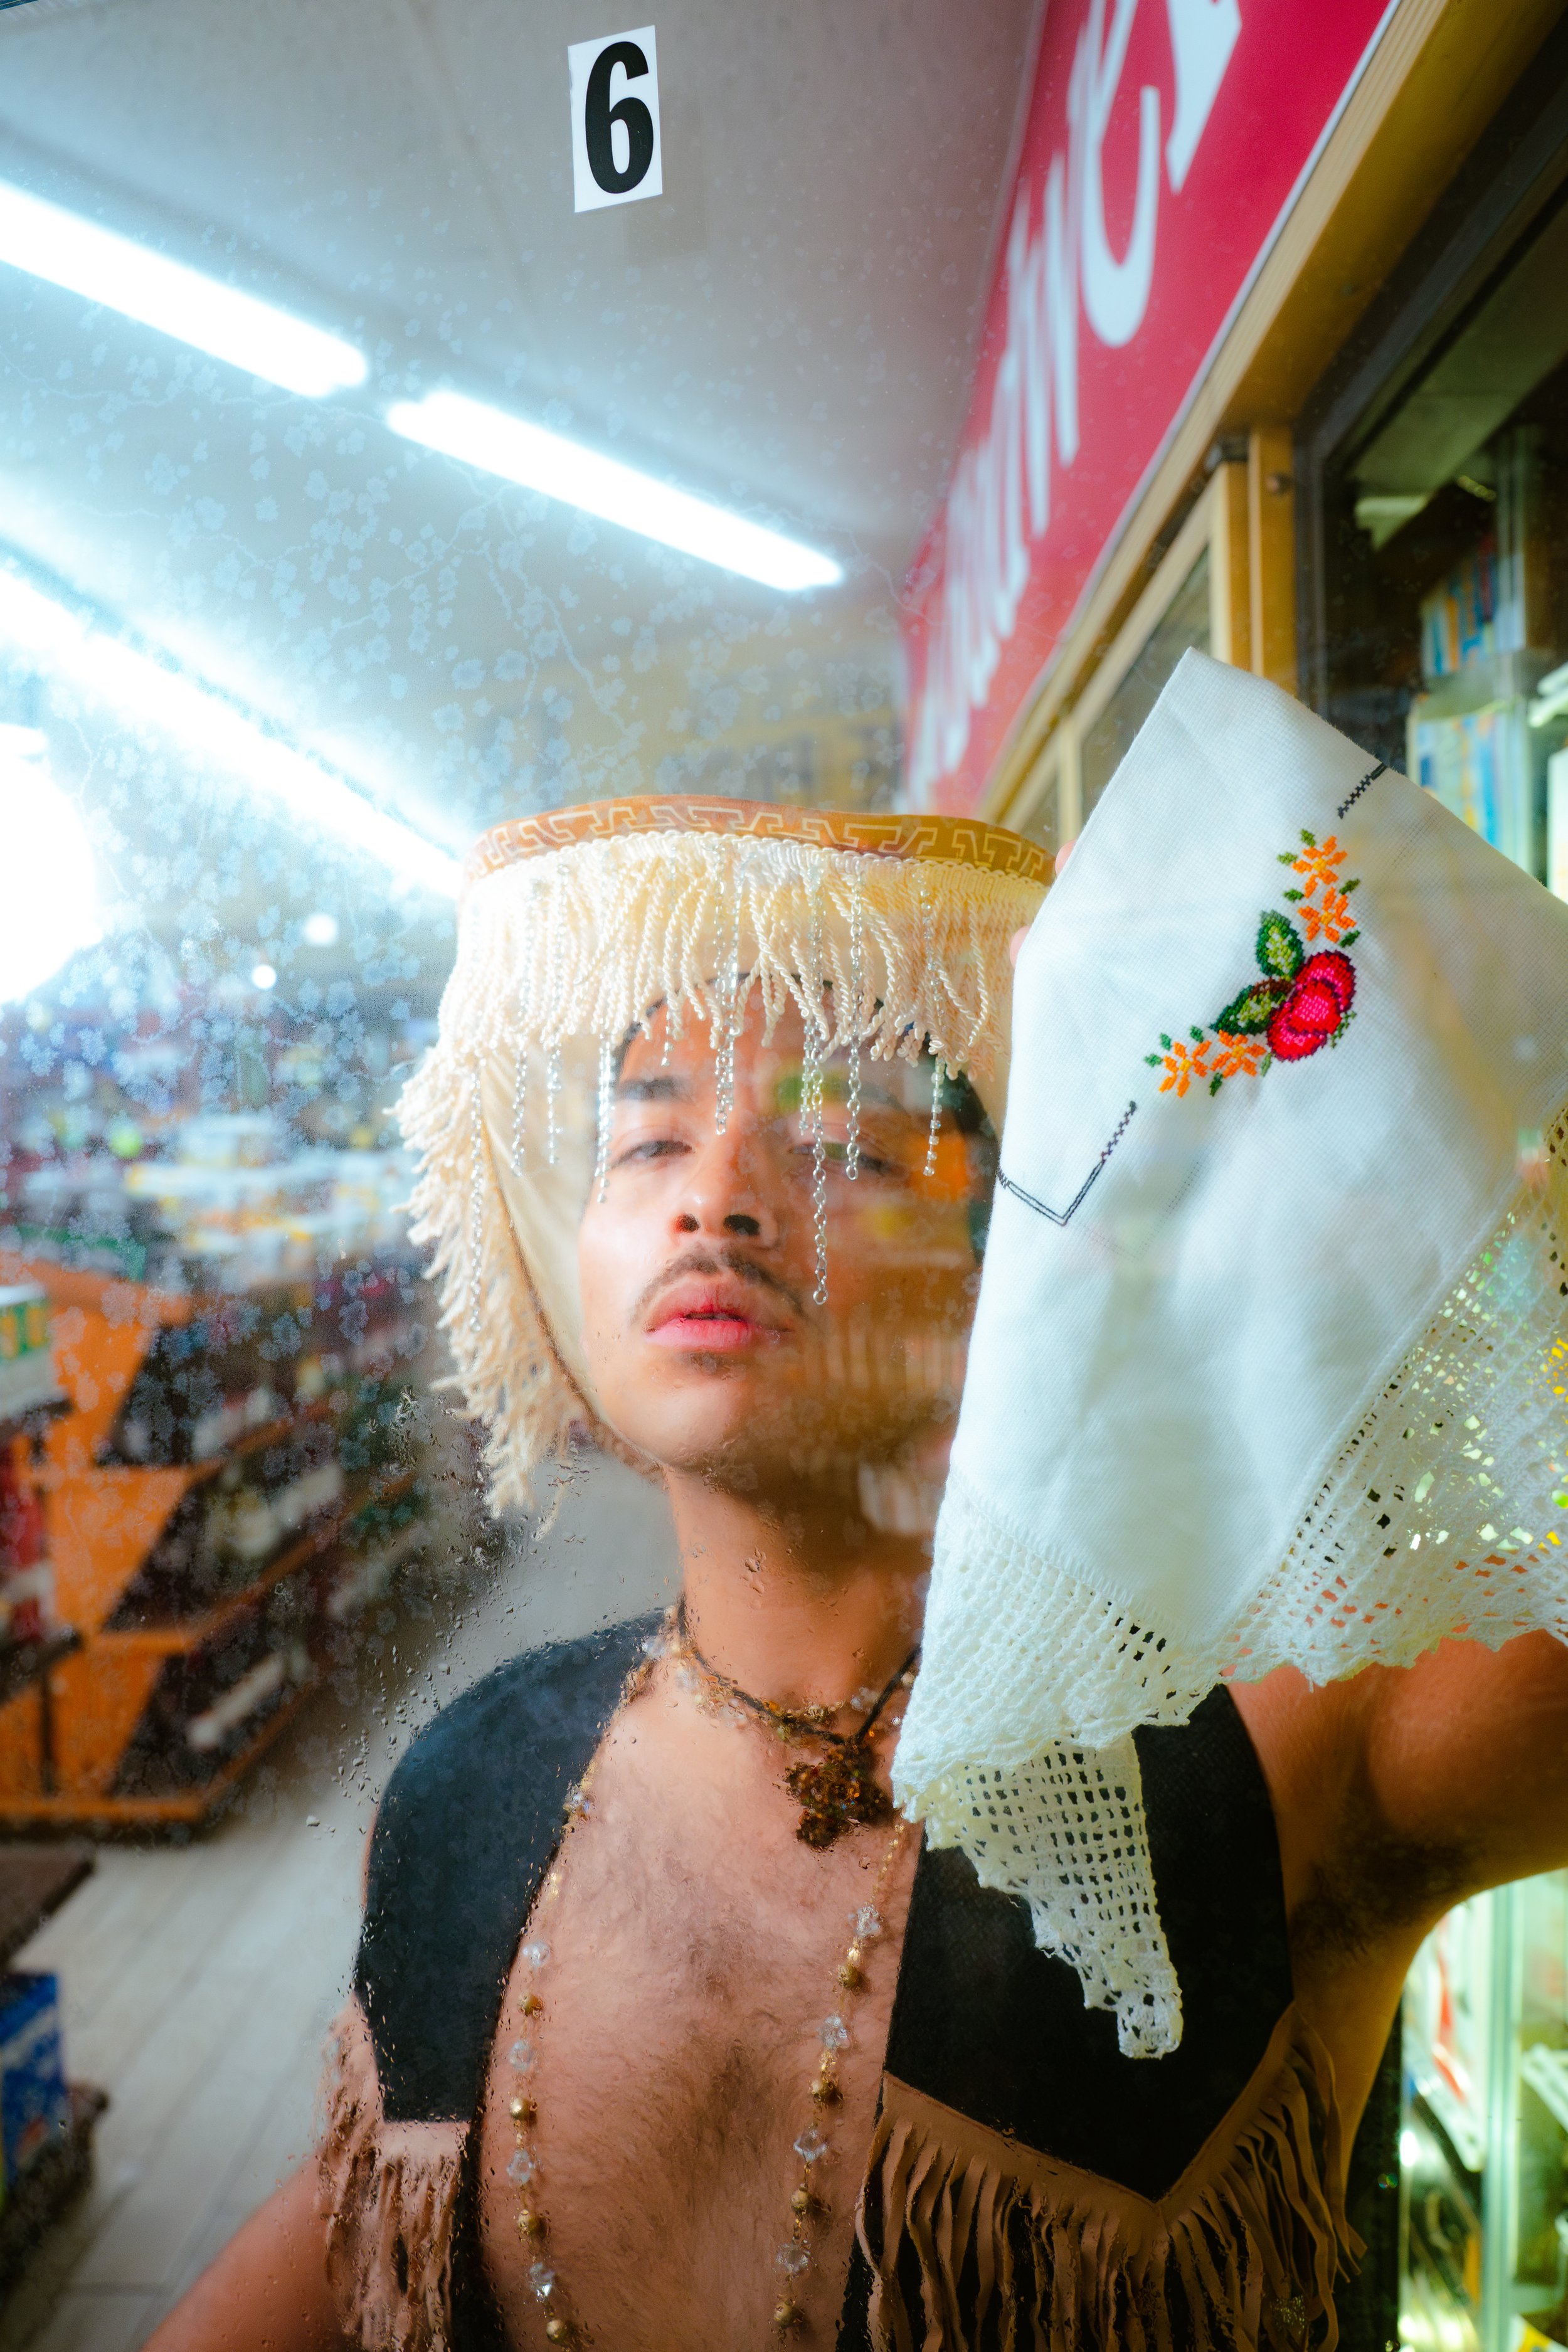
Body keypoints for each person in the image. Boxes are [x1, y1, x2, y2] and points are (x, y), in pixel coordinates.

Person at [148, 797, 1568, 2352]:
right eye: (645, 1137)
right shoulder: (463, 1787)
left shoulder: (1274, 1750)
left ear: (1008, 1260)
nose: (718, 1196)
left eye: (843, 1139)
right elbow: (360, 2239)